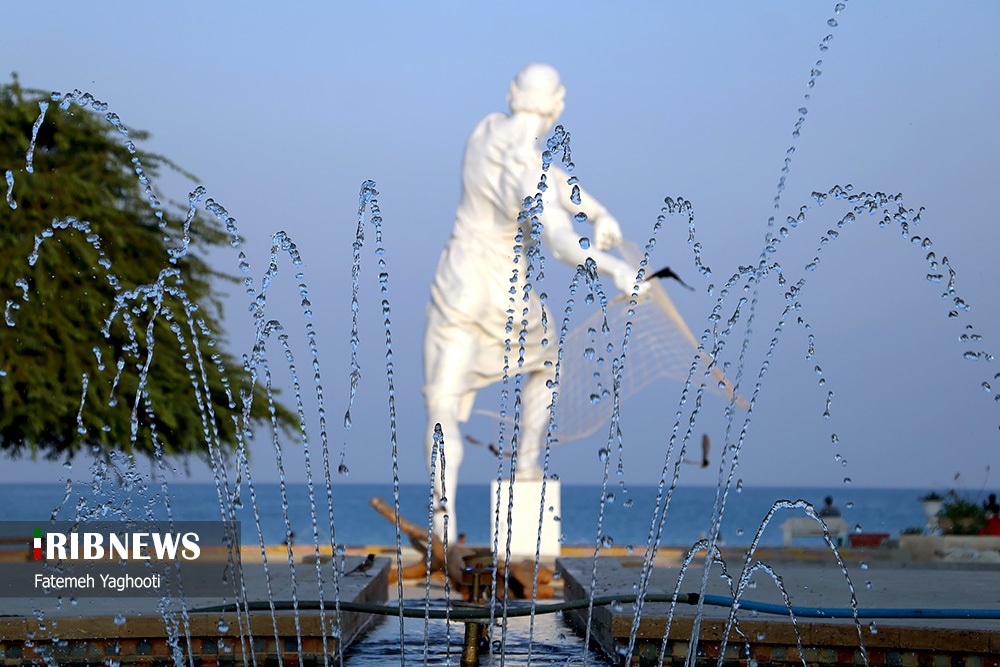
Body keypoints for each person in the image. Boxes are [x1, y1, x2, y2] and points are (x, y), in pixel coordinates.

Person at [423, 63, 644, 539]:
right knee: (548, 361)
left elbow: (553, 181)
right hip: (505, 297)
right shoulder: (527, 174)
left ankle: (442, 524)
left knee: (442, 404)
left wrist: (595, 209)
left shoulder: (482, 133)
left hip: (456, 286)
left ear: (510, 94)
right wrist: (618, 269)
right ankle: (526, 469)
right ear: (558, 105)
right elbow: (563, 246)